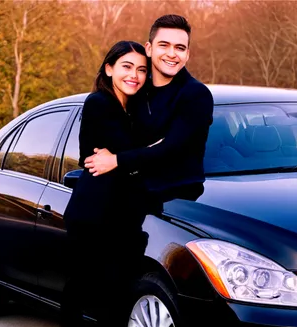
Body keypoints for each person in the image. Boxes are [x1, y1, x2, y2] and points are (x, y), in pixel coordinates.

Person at [58, 40, 150, 327]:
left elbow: (135, 152)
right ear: (109, 68)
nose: (135, 75)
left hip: (127, 215)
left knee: (116, 290)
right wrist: (144, 153)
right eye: (127, 66)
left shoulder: (142, 109)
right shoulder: (98, 103)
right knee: (77, 290)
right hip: (92, 212)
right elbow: (128, 148)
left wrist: (131, 157)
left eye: (142, 69)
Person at [84, 14, 214, 212]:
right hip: (128, 202)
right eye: (164, 45)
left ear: (188, 54)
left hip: (178, 204)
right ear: (149, 48)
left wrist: (116, 159)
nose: (172, 54)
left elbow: (171, 149)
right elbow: (97, 152)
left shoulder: (196, 94)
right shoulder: (135, 92)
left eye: (180, 48)